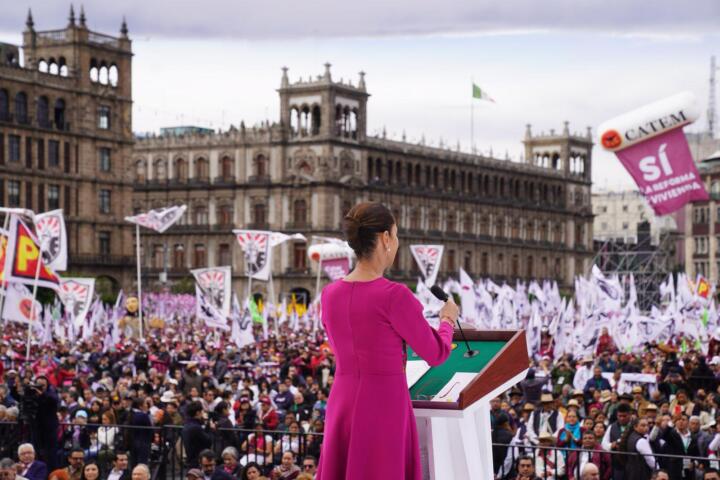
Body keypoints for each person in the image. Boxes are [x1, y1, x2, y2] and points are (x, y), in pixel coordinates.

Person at [315, 203, 457, 480]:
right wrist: (447, 320)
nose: (398, 241)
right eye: (396, 234)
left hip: (343, 398)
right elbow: (437, 353)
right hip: (383, 403)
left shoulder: (330, 294)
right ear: (385, 239)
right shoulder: (394, 295)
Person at [182, 402, 214, 468]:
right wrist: (210, 428)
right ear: (197, 413)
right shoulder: (196, 427)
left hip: (191, 459)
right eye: (202, 411)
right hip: (197, 461)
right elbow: (208, 441)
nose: (203, 413)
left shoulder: (187, 424)